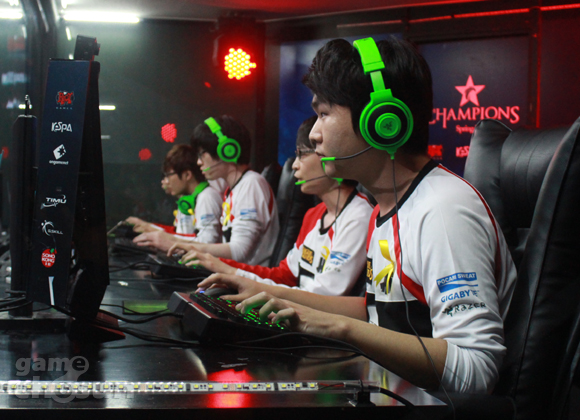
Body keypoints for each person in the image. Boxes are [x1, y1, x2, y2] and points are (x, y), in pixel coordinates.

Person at [195, 37, 517, 394]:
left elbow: (476, 369)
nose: (314, 134)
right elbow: (375, 313)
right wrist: (267, 292)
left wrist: (337, 327)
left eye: (324, 114)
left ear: (382, 120)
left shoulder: (443, 210)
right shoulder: (387, 206)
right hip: (386, 393)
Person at [173, 116, 374, 296]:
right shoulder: (314, 214)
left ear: (331, 156)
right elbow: (285, 275)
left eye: (302, 154)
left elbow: (324, 295)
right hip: (297, 309)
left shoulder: (359, 216)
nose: (294, 165)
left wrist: (230, 271)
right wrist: (228, 270)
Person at [161, 115, 279, 266]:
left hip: (246, 278)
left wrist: (187, 247)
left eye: (202, 154)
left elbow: (240, 251)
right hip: (232, 275)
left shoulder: (251, 184)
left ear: (227, 150)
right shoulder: (233, 189)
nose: (199, 162)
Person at [129, 144, 222, 244]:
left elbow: (206, 242)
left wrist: (151, 230)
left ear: (187, 175)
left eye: (169, 175)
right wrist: (149, 229)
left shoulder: (207, 197)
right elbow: (180, 235)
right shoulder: (186, 201)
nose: (166, 181)